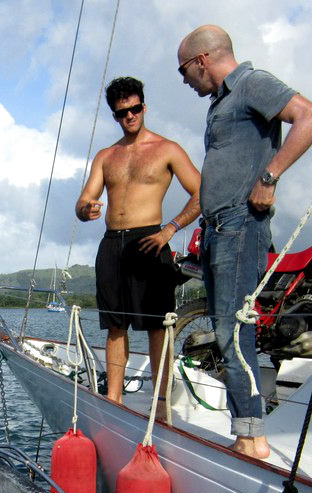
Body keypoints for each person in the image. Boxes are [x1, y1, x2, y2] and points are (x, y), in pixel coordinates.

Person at [177, 26, 312, 459]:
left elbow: (311, 117)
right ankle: (249, 432)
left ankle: (251, 438)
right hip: (219, 228)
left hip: (241, 226)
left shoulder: (250, 83)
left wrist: (269, 176)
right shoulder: (222, 100)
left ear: (202, 59)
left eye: (184, 71)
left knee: (232, 328)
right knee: (228, 328)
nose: (185, 82)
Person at [76, 76, 201, 412]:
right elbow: (84, 199)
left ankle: (160, 403)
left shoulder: (167, 149)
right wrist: (85, 209)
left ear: (143, 106)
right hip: (111, 246)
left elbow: (202, 193)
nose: (129, 116)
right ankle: (114, 398)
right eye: (121, 113)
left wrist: (171, 228)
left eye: (134, 109)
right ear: (115, 115)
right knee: (116, 325)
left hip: (150, 240)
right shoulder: (106, 156)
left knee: (157, 327)